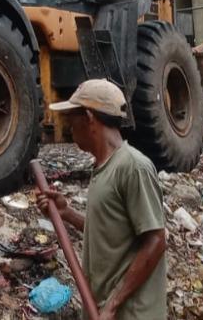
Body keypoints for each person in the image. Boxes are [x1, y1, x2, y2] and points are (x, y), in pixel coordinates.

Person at [36, 79, 167, 320]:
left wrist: (113, 305)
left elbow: (156, 240)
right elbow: (112, 236)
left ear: (88, 117)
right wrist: (68, 214)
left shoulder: (133, 167)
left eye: (71, 119)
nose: (68, 126)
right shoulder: (103, 168)